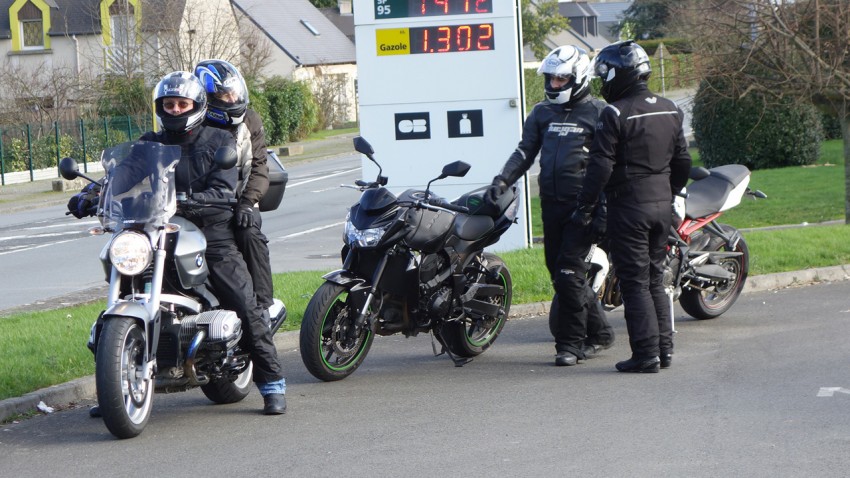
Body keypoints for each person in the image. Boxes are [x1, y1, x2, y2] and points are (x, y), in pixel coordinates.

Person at [86, 72, 287, 416]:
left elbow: (223, 188)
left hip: (211, 231)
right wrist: (91, 194)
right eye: (169, 104)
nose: (176, 109)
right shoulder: (152, 144)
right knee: (121, 290)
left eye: (183, 104)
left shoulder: (219, 142)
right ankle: (114, 390)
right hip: (159, 228)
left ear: (196, 106)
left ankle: (272, 384)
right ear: (160, 107)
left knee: (244, 301)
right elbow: (122, 175)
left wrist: (200, 198)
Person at [485, 45, 615, 367]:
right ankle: (600, 333)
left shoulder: (599, 112)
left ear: (579, 77)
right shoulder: (542, 113)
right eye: (551, 78)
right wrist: (502, 180)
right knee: (560, 276)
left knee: (570, 274)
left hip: (583, 208)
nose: (555, 84)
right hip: (552, 206)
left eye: (561, 79)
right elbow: (525, 151)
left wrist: (603, 212)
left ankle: (570, 345)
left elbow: (610, 167)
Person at [572, 40, 692, 373]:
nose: (603, 81)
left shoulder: (614, 112)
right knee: (655, 279)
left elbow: (600, 167)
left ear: (618, 74)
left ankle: (645, 354)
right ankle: (664, 351)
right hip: (662, 207)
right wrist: (669, 192)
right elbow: (683, 160)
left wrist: (585, 207)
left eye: (605, 74)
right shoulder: (670, 108)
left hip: (629, 208)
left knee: (635, 282)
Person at [194, 59, 277, 316]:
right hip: (198, 203)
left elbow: (259, 167)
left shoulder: (250, 120)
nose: (232, 99)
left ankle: (263, 307)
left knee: (249, 233)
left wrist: (247, 203)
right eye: (224, 94)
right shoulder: (193, 123)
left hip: (237, 203)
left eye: (234, 93)